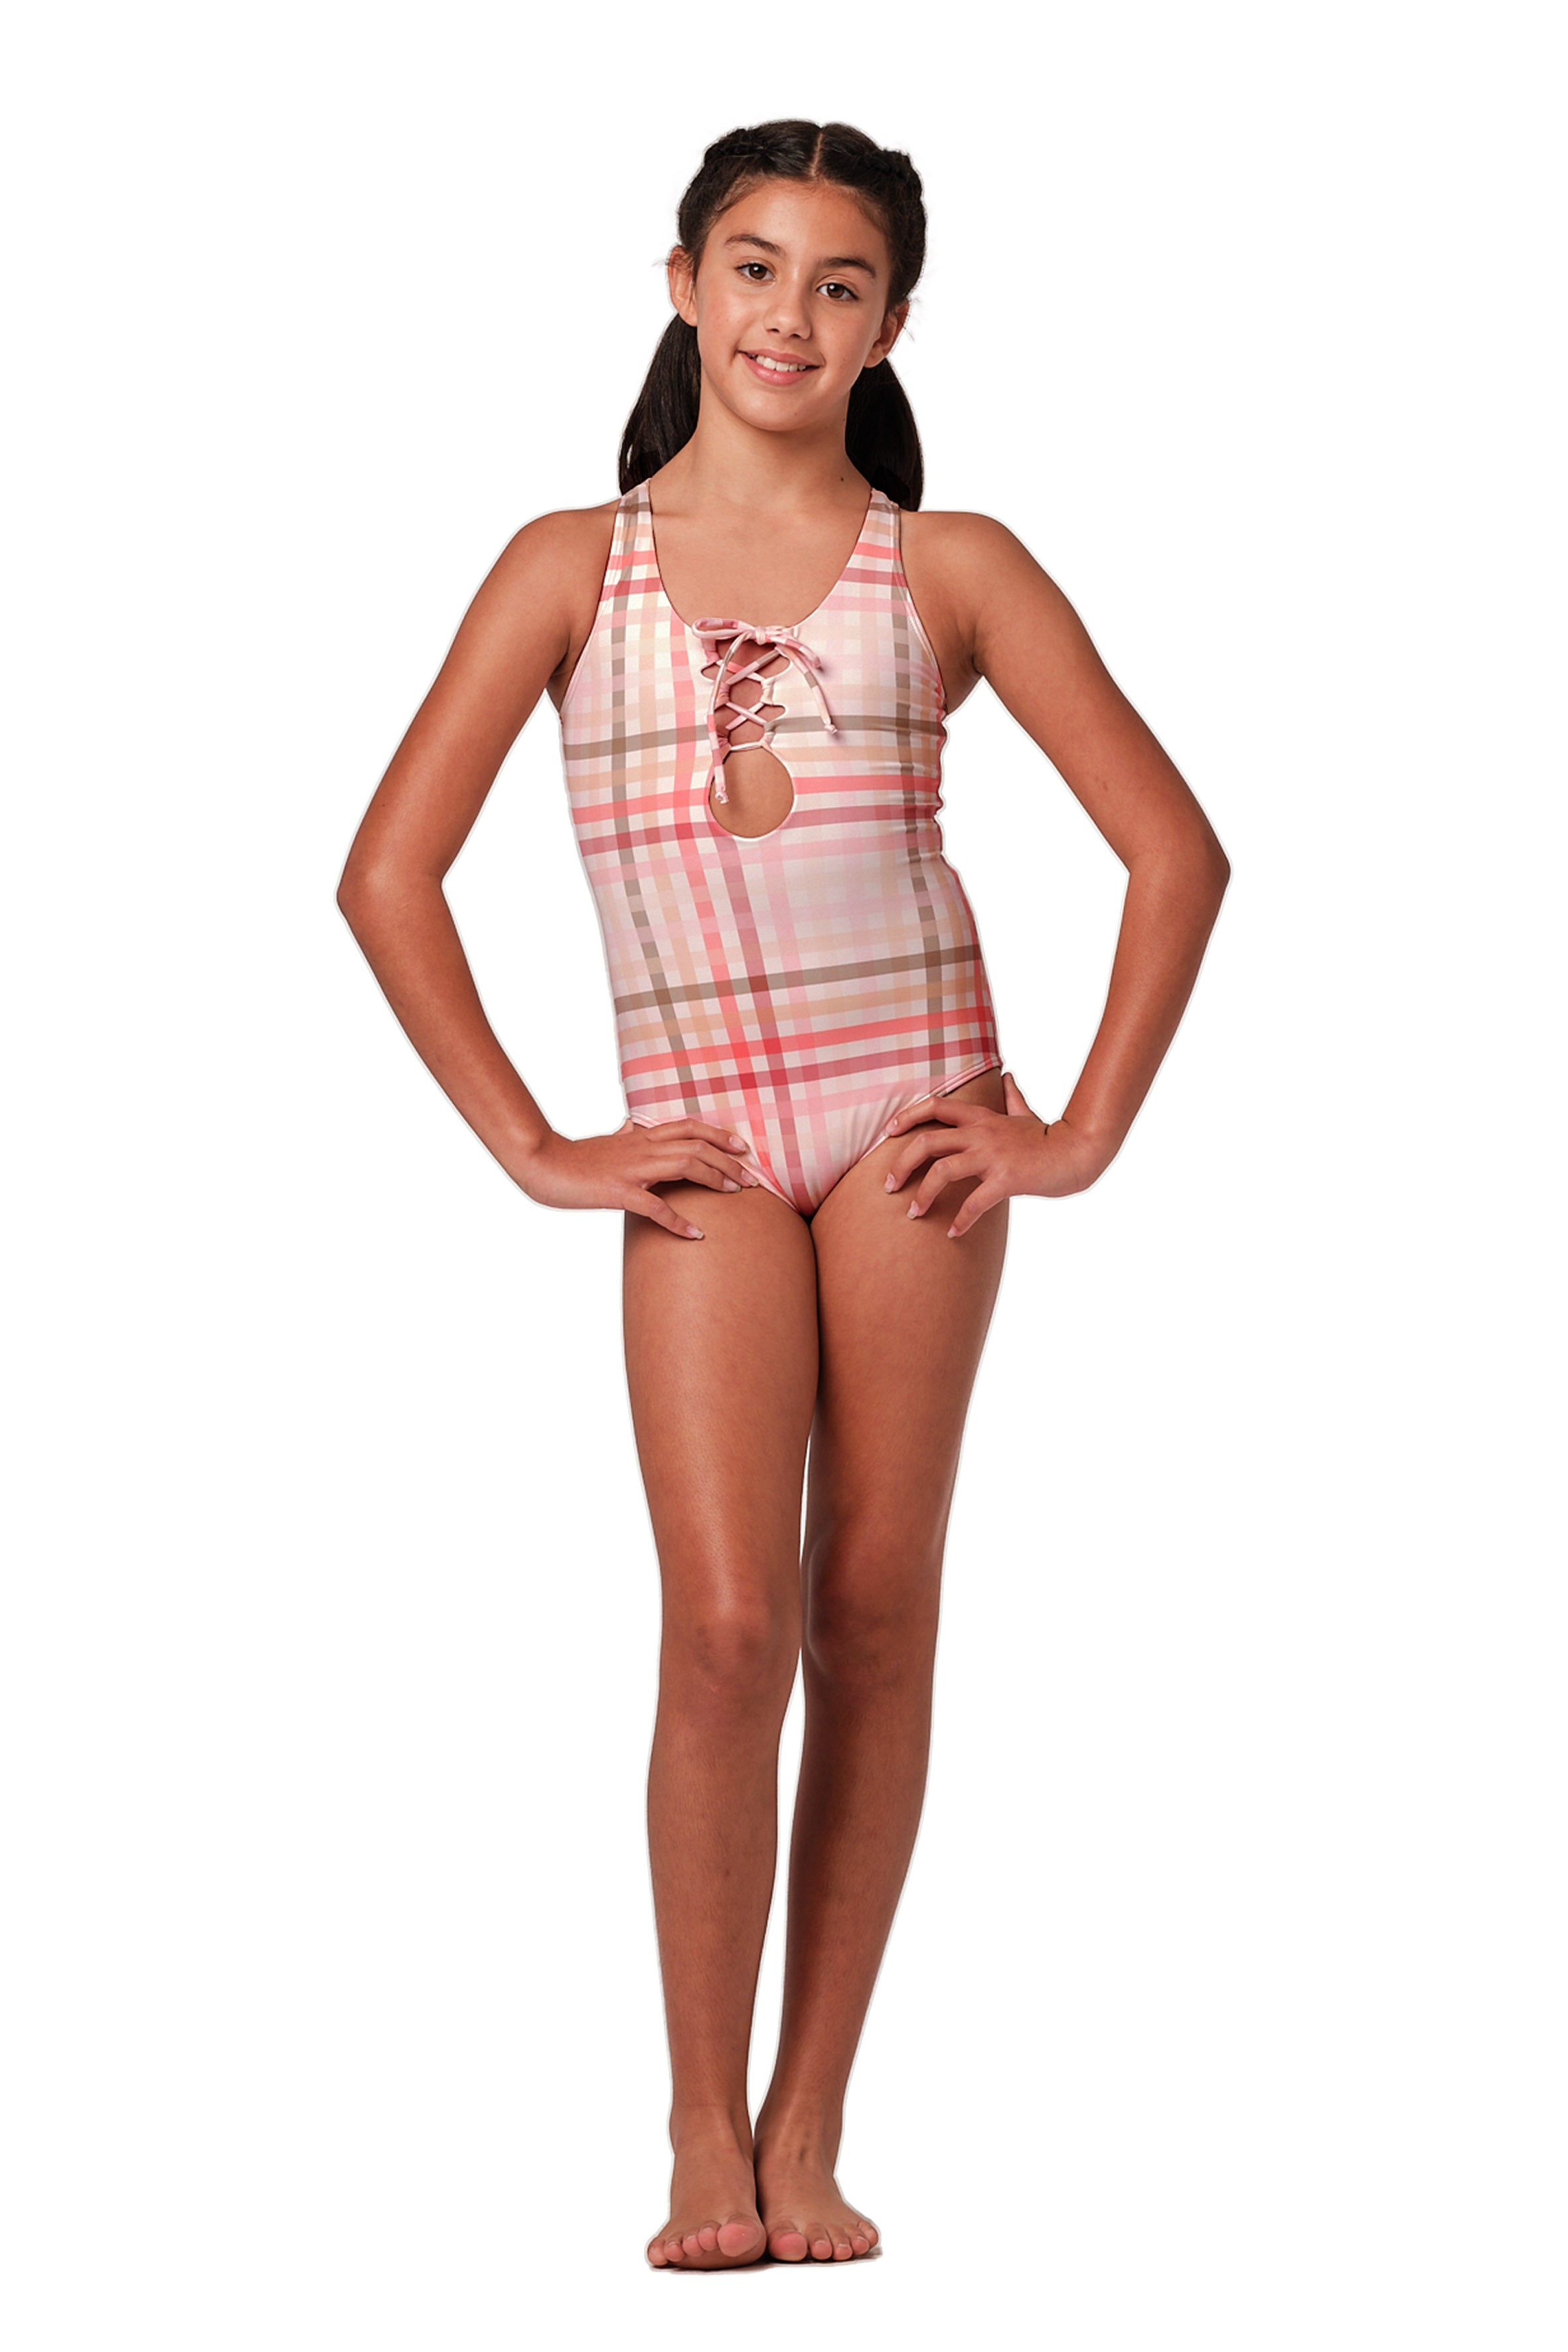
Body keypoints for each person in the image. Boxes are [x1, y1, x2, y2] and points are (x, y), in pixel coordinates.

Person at [337, 117, 1230, 2272]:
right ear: (680, 286)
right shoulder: (572, 566)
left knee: (876, 1604)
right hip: (708, 1141)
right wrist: (535, 1144)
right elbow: (385, 875)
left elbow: (1174, 852)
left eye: (839, 283)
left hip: (915, 1115)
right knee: (731, 1621)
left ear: (891, 323)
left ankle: (808, 2119)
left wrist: (1075, 1131)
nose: (788, 315)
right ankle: (693, 2130)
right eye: (753, 268)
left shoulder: (951, 566)